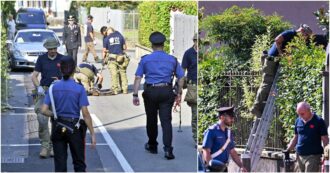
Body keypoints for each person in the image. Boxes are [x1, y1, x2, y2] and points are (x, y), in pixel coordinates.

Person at [132, 31, 185, 160]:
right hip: (166, 91)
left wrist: (135, 94)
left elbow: (138, 77)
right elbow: (181, 77)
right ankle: (168, 150)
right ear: (163, 44)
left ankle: (152, 145)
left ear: (152, 45)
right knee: (166, 121)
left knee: (151, 119)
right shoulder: (172, 59)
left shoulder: (145, 59)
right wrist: (178, 93)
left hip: (151, 91)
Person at [41, 56, 96, 172]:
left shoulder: (52, 87)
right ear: (74, 70)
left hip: (58, 126)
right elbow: (85, 114)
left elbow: (43, 110)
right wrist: (92, 133)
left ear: (60, 70)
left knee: (60, 163)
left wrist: (55, 115)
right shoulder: (79, 89)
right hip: (74, 128)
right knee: (79, 162)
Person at [251, 24, 313, 117]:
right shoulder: (290, 33)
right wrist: (281, 54)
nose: (305, 38)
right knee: (267, 83)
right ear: (302, 31)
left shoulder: (296, 39)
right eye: (306, 35)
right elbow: (277, 39)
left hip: (277, 61)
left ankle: (261, 106)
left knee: (273, 84)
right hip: (272, 60)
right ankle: (256, 107)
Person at [31, 38, 65, 158]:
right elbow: (34, 76)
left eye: (54, 48)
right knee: (41, 117)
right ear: (47, 49)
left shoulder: (62, 59)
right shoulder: (42, 59)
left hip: (58, 92)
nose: (53, 51)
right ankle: (45, 146)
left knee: (57, 120)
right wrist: (38, 87)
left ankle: (55, 147)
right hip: (44, 92)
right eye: (50, 49)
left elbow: (69, 76)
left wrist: (61, 81)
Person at [285, 102, 329, 172]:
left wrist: (326, 154)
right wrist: (288, 149)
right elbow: (296, 137)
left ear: (309, 110)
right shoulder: (298, 121)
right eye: (299, 114)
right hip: (299, 155)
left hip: (313, 156)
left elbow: (325, 139)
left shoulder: (318, 121)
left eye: (302, 114)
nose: (300, 116)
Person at [202, 106, 247, 172]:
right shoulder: (212, 131)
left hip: (223, 168)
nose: (232, 120)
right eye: (231, 118)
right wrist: (210, 167)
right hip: (213, 169)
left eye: (233, 118)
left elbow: (232, 151)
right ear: (222, 117)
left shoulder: (228, 132)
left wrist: (241, 166)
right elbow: (206, 151)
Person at [182, 33, 198, 143]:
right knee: (195, 114)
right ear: (194, 41)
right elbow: (182, 70)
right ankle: (196, 138)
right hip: (193, 86)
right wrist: (179, 87)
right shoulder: (188, 53)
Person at [103, 27, 129, 94]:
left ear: (108, 33)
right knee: (123, 73)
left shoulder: (106, 39)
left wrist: (104, 59)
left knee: (114, 74)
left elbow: (104, 50)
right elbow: (125, 47)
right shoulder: (120, 36)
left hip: (112, 58)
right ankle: (125, 90)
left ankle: (115, 90)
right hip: (121, 58)